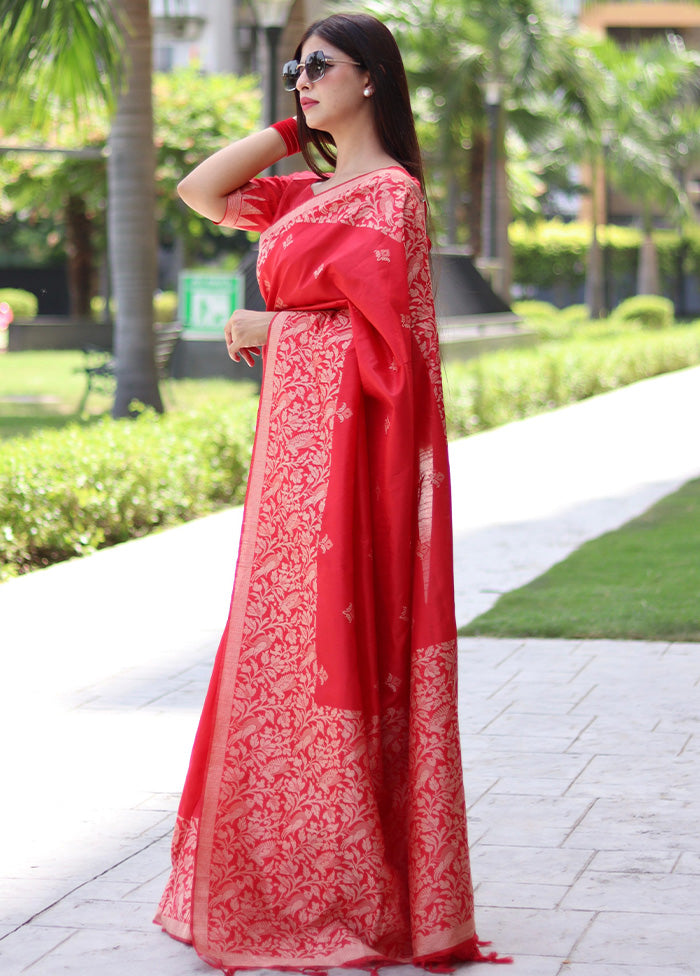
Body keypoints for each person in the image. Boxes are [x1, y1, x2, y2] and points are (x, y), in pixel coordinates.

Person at [155, 12, 508, 972]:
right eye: (293, 66)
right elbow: (198, 189)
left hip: (350, 457)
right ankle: (279, 867)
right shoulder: (309, 194)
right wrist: (287, 125)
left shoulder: (389, 196)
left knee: (333, 646)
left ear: (373, 79)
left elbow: (396, 348)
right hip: (292, 454)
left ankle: (343, 882)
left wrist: (271, 329)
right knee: (275, 645)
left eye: (320, 66)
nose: (303, 79)